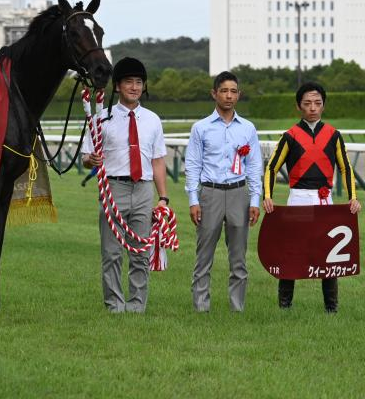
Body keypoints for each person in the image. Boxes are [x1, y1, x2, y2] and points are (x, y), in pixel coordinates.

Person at [263, 82, 360, 313]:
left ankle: (331, 308)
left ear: (323, 105)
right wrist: (268, 195)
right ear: (299, 106)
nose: (313, 108)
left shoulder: (334, 135)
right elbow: (272, 168)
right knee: (291, 252)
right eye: (307, 103)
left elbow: (346, 168)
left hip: (324, 202)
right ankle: (285, 306)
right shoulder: (290, 136)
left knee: (327, 253)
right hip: (298, 199)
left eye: (317, 103)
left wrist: (352, 198)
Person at [81, 57, 168, 313]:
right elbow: (86, 157)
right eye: (128, 82)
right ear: (117, 86)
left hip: (143, 188)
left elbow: (158, 159)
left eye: (138, 82)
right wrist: (91, 160)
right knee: (112, 253)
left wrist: (163, 198)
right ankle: (114, 305)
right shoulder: (101, 118)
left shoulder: (153, 120)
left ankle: (137, 305)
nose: (134, 87)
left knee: (141, 252)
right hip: (113, 188)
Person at [185, 71, 262, 312]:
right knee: (204, 256)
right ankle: (200, 307)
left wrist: (255, 200)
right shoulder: (201, 128)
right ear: (214, 93)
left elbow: (255, 166)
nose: (229, 96)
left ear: (239, 95)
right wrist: (193, 199)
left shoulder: (248, 128)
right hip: (211, 194)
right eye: (224, 91)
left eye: (233, 91)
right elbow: (193, 165)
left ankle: (237, 308)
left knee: (239, 257)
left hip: (239, 194)